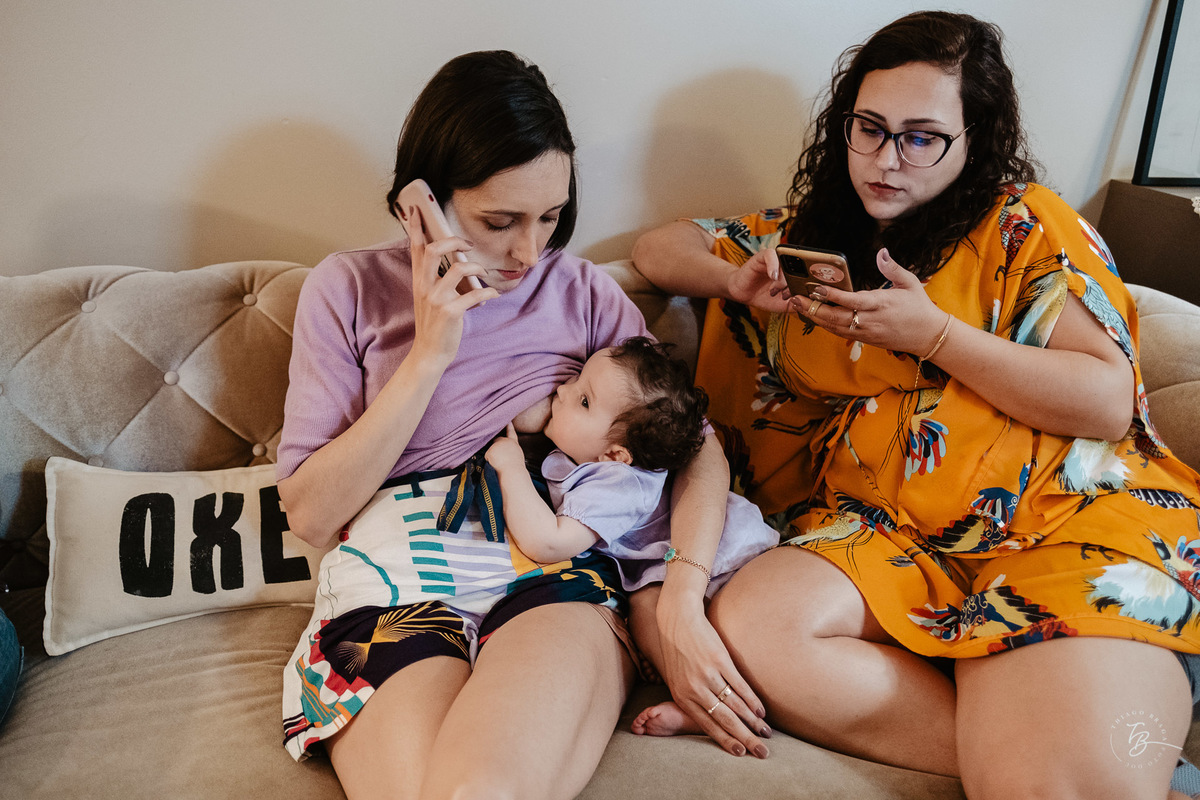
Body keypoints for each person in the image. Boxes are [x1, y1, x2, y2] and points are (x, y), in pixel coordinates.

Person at [632, 11, 1200, 800]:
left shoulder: (1024, 226)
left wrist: (938, 336)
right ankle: (1049, 736)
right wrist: (732, 282)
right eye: (869, 128)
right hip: (886, 538)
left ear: (976, 139)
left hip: (1057, 521)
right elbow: (659, 247)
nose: (886, 160)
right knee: (756, 620)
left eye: (921, 136)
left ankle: (1058, 741)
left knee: (1043, 785)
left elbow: (1105, 400)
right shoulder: (810, 238)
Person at [274, 50, 751, 800]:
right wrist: (430, 352)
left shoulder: (583, 291)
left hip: (546, 565)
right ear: (420, 204)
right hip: (395, 573)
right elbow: (310, 513)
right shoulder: (348, 289)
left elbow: (694, 450)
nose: (530, 253)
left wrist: (683, 599)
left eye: (552, 218)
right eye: (500, 222)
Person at [482, 336, 780, 734]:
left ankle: (706, 701)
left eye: (583, 401)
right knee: (646, 616)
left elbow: (547, 543)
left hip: (723, 557)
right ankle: (694, 700)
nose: (562, 389)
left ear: (616, 454)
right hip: (660, 568)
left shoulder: (617, 483)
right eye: (577, 380)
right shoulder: (596, 456)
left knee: (696, 629)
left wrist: (511, 467)